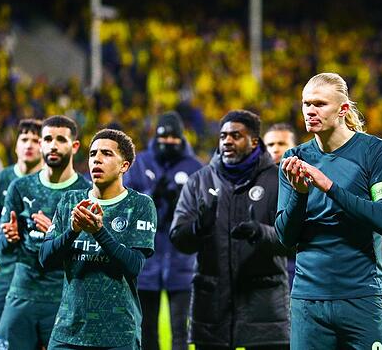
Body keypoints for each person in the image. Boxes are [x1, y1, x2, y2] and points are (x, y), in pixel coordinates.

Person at [275, 72, 382, 350]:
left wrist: (329, 186)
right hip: (309, 301)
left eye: (319, 104)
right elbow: (285, 236)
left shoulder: (376, 152)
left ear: (343, 109)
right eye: (306, 103)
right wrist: (300, 194)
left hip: (360, 297)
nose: (310, 110)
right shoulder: (294, 159)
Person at [169, 110, 289, 350]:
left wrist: (261, 233)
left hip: (263, 309)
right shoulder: (199, 182)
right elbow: (178, 239)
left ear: (254, 141)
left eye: (236, 136)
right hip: (212, 309)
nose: (227, 141)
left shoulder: (279, 180)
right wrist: (197, 228)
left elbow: (295, 239)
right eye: (223, 136)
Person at [40, 128, 157, 349]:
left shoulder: (140, 205)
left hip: (118, 334)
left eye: (107, 154)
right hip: (68, 332)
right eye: (93, 154)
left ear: (125, 166)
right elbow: (45, 259)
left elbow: (134, 266)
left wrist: (99, 232)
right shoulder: (70, 200)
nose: (97, 159)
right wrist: (73, 231)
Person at [0, 115, 92, 350]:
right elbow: (1, 244)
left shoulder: (86, 192)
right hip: (22, 294)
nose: (53, 145)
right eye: (47, 139)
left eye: (61, 139)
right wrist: (8, 237)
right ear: (41, 145)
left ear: (74, 146)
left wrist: (56, 234)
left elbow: (91, 251)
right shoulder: (20, 187)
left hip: (65, 298)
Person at [125, 112, 203, 350]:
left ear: (182, 137)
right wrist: (150, 196)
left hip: (182, 263)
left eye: (173, 136)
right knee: (146, 329)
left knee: (181, 330)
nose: (168, 140)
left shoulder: (195, 167)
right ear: (156, 135)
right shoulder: (140, 163)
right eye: (164, 135)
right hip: (147, 262)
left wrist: (183, 205)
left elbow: (205, 213)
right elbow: (126, 204)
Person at [0, 119, 43, 350]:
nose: (30, 145)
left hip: (40, 273)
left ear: (44, 146)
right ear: (15, 146)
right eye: (24, 139)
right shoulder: (0, 181)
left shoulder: (51, 182)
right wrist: (6, 228)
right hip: (7, 270)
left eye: (36, 140)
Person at [263, 123, 297, 288]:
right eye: (270, 144)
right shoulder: (253, 182)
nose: (275, 149)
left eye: (281, 144)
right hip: (263, 266)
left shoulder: (306, 179)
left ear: (294, 147)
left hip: (296, 265)